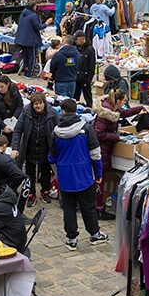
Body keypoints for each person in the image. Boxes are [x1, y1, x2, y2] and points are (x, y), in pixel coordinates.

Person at [49, 99, 106, 251]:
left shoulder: (55, 132)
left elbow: (52, 157)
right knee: (88, 207)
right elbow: (95, 154)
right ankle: (94, 234)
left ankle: (71, 239)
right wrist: (98, 173)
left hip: (65, 177)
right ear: (76, 111)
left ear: (62, 111)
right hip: (84, 176)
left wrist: (57, 173)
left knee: (68, 208)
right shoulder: (86, 128)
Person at [11, 91, 56, 201]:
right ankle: (30, 193)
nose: (38, 106)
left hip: (46, 148)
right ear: (32, 104)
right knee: (29, 172)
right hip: (29, 148)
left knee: (46, 171)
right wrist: (15, 148)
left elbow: (59, 130)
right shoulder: (26, 113)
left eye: (40, 103)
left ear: (44, 103)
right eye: (36, 104)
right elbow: (17, 130)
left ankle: (45, 191)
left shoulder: (52, 113)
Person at [15, 2, 44, 76]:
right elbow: (37, 27)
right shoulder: (33, 15)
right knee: (32, 56)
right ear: (34, 6)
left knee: (25, 56)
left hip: (22, 39)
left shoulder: (22, 13)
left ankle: (26, 71)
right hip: (30, 39)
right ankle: (30, 73)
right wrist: (46, 24)